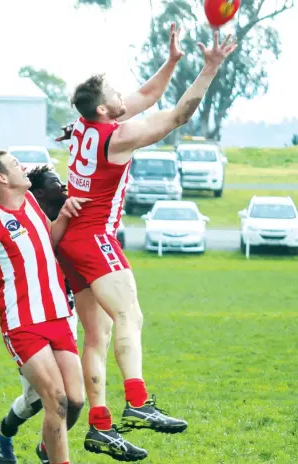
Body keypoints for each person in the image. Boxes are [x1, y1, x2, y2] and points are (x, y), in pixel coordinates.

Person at [56, 29, 237, 461]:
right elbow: (177, 116)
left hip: (72, 243)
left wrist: (172, 62)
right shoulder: (117, 137)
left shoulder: (88, 124)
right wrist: (209, 68)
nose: (125, 95)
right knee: (130, 315)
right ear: (105, 108)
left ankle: (100, 427)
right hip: (94, 236)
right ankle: (137, 404)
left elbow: (145, 94)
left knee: (96, 337)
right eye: (114, 92)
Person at [0, 150, 87, 464]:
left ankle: (46, 448)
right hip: (23, 323)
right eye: (14, 165)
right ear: (1, 178)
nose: (21, 167)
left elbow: (45, 241)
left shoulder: (34, 205)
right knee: (57, 400)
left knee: (76, 401)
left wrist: (64, 215)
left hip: (58, 317)